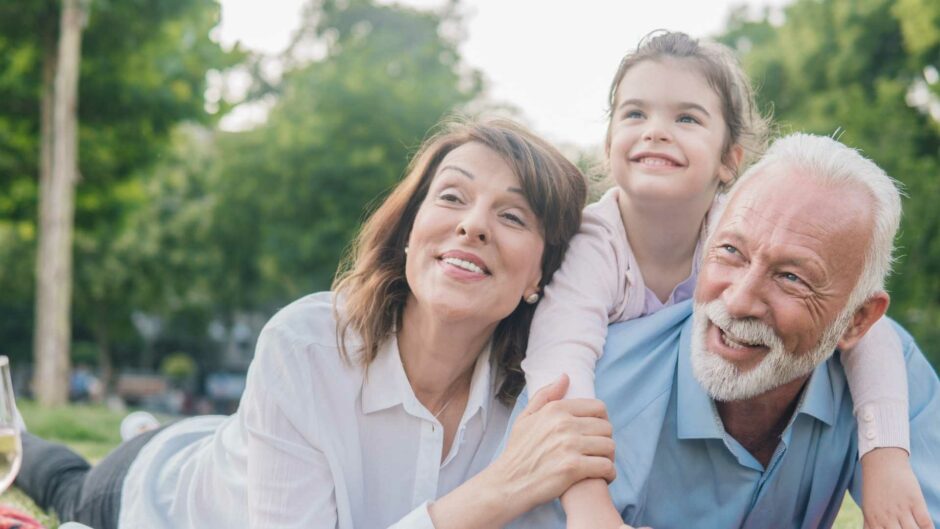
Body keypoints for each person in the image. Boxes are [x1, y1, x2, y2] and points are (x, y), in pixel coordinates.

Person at [15, 118, 617, 529]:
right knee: (62, 481)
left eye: (512, 215)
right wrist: (491, 495)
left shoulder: (535, 404)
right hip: (160, 493)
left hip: (247, 446)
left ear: (543, 272)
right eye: (452, 198)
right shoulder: (305, 344)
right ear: (411, 232)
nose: (473, 225)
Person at [519, 31, 923, 529]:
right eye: (634, 114)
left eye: (686, 118)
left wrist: (884, 452)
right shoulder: (594, 247)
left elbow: (876, 339)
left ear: (731, 159)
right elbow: (558, 366)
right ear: (608, 145)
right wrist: (588, 504)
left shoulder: (749, 221)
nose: (656, 132)